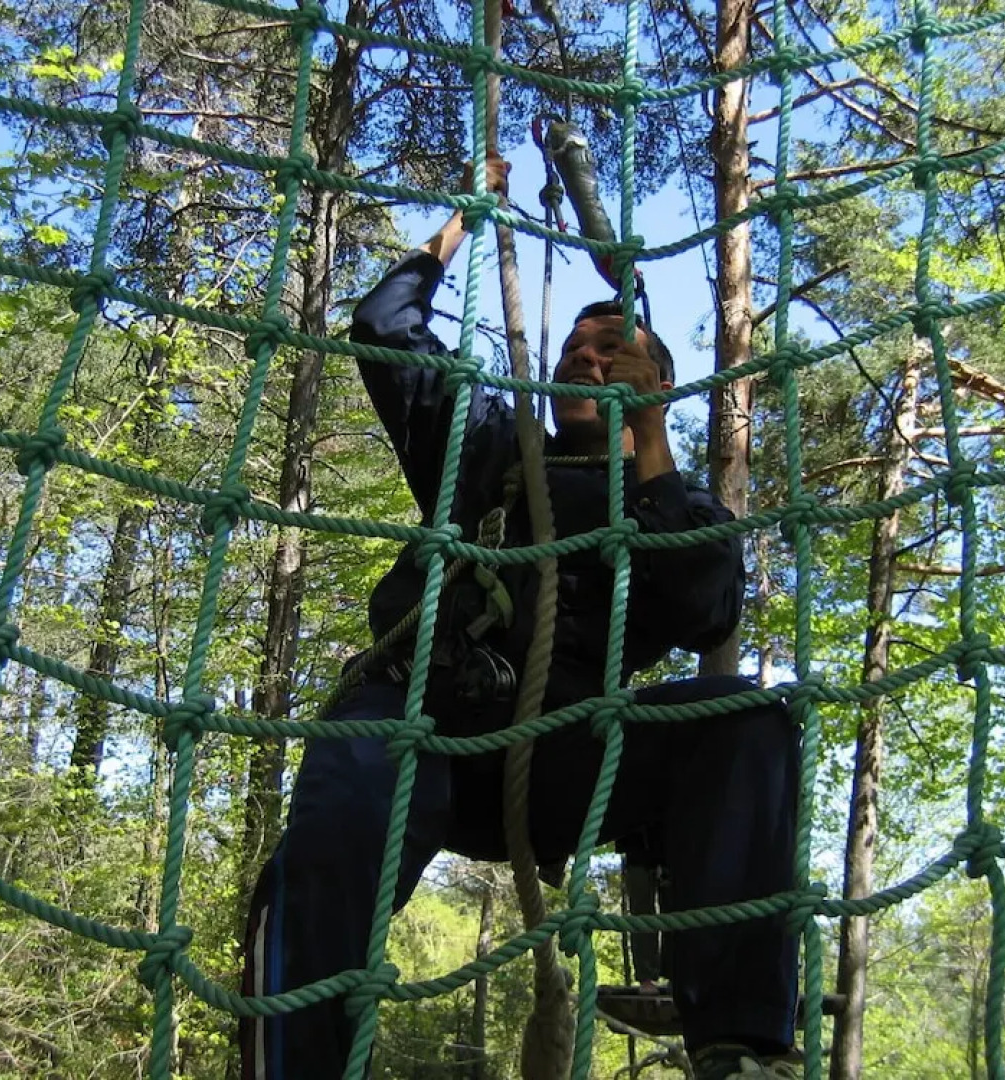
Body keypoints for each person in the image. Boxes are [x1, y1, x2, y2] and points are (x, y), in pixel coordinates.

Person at [240, 157, 801, 1080]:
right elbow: (384, 326)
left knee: (748, 715)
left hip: (566, 759)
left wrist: (653, 442)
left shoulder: (672, 502)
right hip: (419, 718)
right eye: (575, 351)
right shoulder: (492, 446)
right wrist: (467, 212)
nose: (587, 358)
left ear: (653, 384)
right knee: (348, 788)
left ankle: (740, 1047)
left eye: (612, 351)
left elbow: (705, 610)